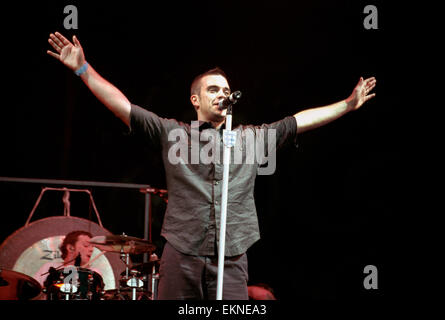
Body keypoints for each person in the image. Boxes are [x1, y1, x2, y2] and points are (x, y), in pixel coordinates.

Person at [46, 32, 376, 300]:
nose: (222, 93)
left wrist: (347, 105)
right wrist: (83, 69)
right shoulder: (173, 132)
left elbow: (299, 121)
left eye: (227, 90)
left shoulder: (252, 138)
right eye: (213, 89)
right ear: (196, 100)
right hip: (181, 253)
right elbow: (124, 107)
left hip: (232, 256)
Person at [33, 230, 103, 299]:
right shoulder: (48, 267)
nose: (91, 249)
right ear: (70, 248)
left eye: (92, 246)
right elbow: (33, 292)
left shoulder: (94, 273)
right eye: (86, 245)